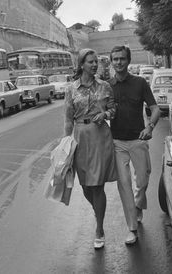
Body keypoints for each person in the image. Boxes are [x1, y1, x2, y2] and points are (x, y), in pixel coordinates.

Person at [64, 48, 118, 249]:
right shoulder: (71, 89)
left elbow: (113, 110)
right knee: (85, 186)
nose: (95, 65)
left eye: (96, 62)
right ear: (81, 65)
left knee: (97, 184)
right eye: (90, 62)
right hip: (79, 135)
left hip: (99, 136)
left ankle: (99, 228)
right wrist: (65, 144)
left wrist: (104, 115)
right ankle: (99, 210)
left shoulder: (105, 86)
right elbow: (68, 119)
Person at [108, 46, 160, 245]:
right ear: (111, 62)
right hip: (117, 142)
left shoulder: (140, 83)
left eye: (122, 59)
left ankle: (138, 206)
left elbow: (154, 109)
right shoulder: (107, 86)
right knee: (124, 186)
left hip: (139, 139)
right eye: (115, 59)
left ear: (128, 61)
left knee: (143, 181)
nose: (118, 62)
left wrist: (151, 127)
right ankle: (132, 228)